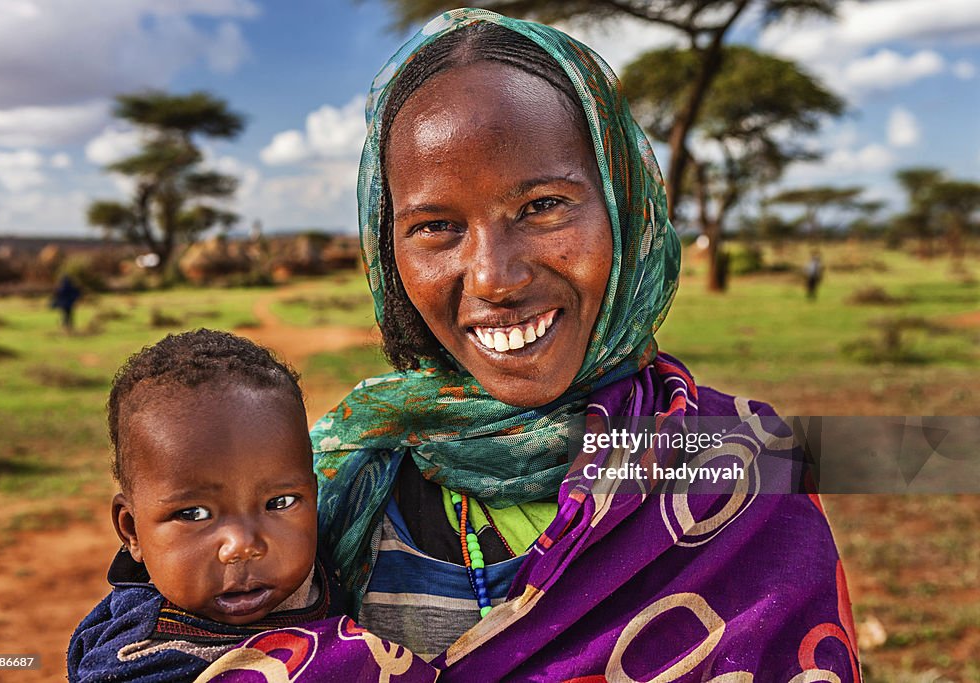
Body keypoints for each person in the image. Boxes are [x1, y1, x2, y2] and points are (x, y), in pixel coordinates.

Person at [201, 8, 860, 681]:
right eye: (436, 225)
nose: (495, 275)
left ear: (623, 211)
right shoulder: (330, 487)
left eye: (543, 205)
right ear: (386, 247)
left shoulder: (741, 465)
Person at [67, 329, 439, 683]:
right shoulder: (141, 656)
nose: (243, 544)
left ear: (315, 494)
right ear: (132, 530)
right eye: (194, 514)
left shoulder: (337, 562)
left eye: (279, 502)